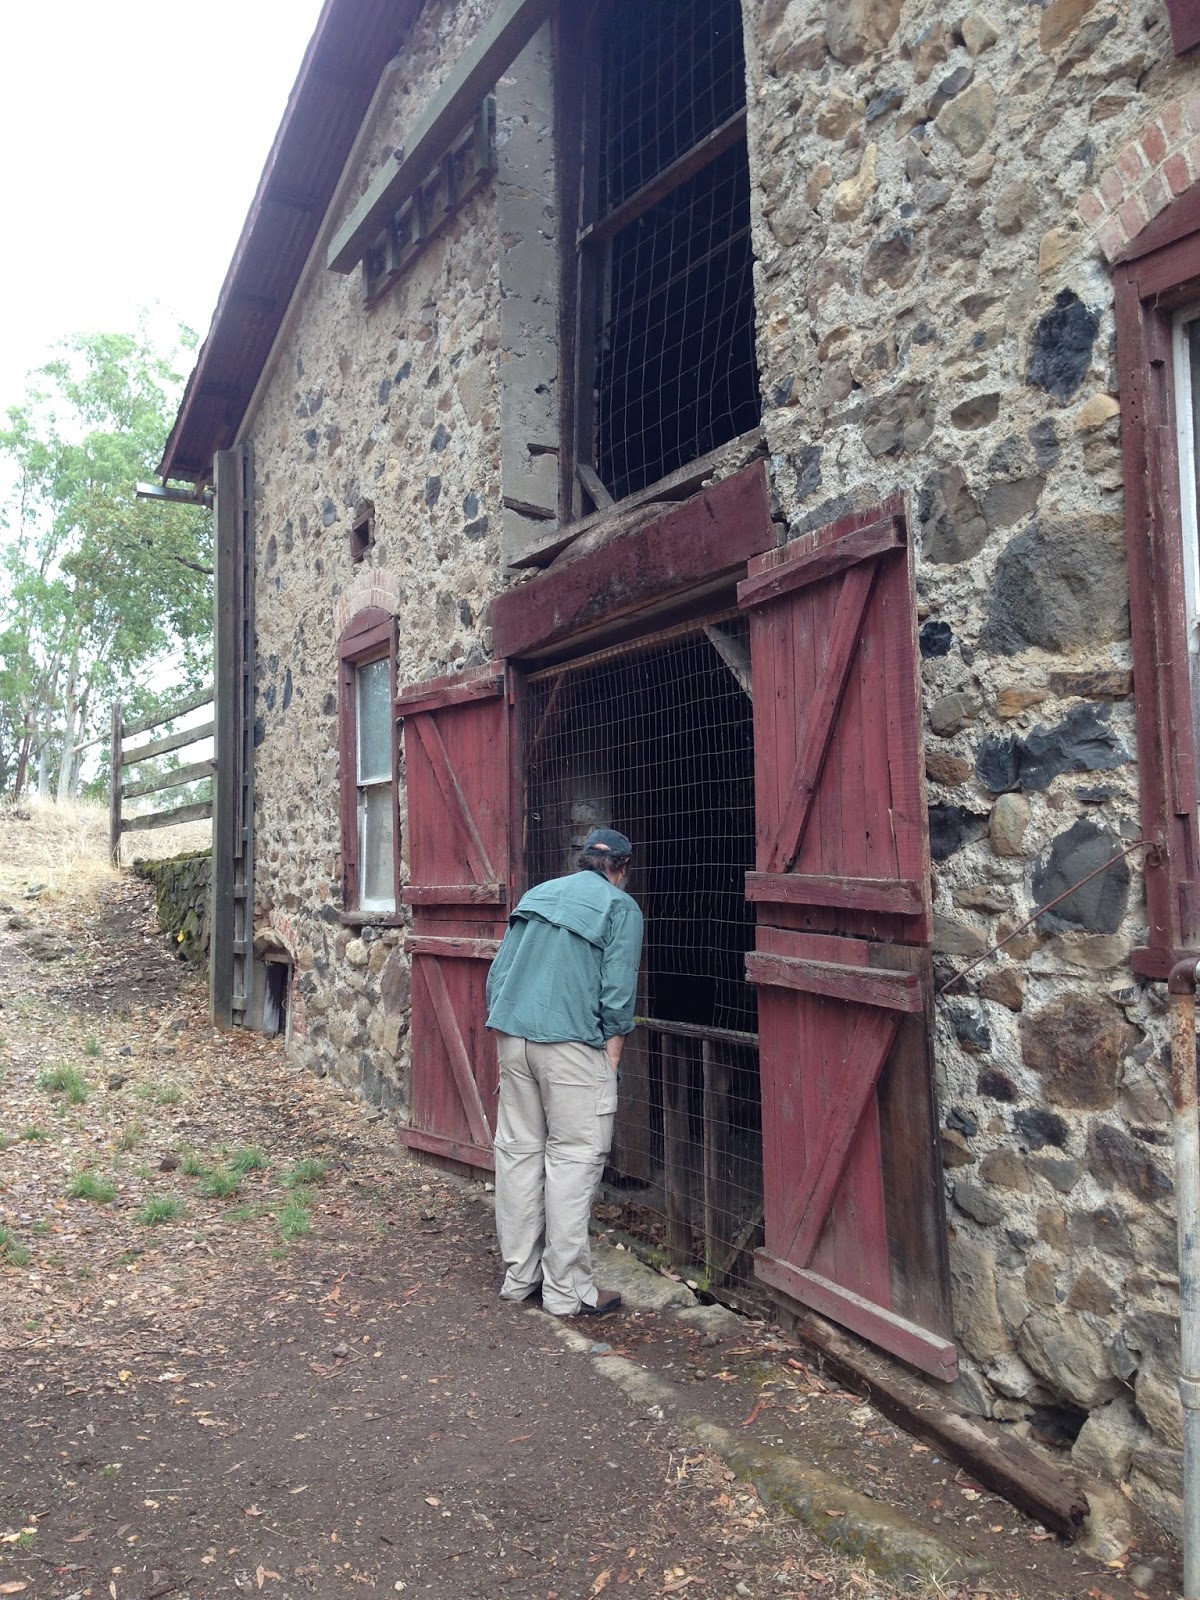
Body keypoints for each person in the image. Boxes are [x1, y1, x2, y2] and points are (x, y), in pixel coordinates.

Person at [486, 827, 644, 1317]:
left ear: (582, 863)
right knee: (575, 1158)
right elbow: (617, 991)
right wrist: (612, 1058)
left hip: (513, 1036)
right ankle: (567, 1290)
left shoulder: (538, 894)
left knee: (518, 1153)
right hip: (573, 1044)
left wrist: (511, 1026)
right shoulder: (621, 908)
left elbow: (498, 973)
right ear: (621, 869)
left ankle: (519, 1276)